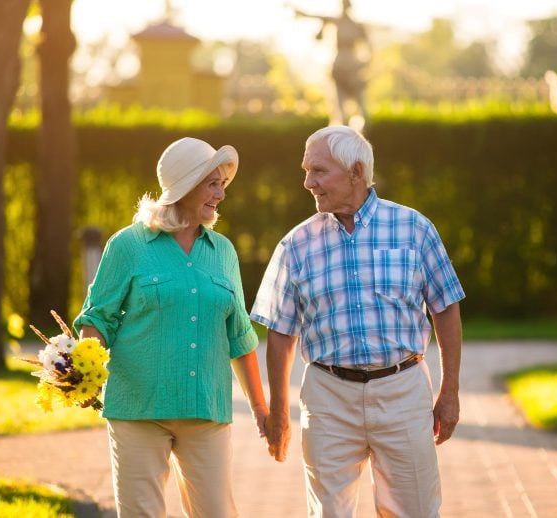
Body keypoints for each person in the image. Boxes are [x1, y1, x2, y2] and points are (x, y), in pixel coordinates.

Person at [251, 125, 465, 517]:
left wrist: (449, 392)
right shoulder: (296, 244)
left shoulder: (414, 229)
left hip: (403, 391)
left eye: (318, 171)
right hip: (328, 396)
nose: (308, 182)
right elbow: (280, 332)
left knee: (415, 510)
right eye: (306, 171)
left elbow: (446, 308)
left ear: (356, 172)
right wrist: (278, 410)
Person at [73, 137, 268, 518]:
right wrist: (86, 374)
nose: (220, 194)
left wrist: (262, 409)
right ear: (185, 185)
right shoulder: (128, 246)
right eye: (212, 184)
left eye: (221, 185)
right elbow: (97, 320)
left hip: (205, 409)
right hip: (138, 408)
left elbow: (240, 335)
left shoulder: (223, 252)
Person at [293, 0, 370, 128]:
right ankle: (340, 134)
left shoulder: (357, 26)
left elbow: (368, 47)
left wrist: (364, 64)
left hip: (353, 66)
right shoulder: (335, 21)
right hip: (339, 64)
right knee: (340, 112)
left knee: (362, 111)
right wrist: (300, 12)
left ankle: (357, 135)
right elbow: (314, 18)